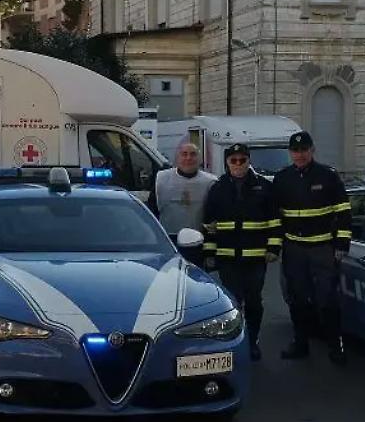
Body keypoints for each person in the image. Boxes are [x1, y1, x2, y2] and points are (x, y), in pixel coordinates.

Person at [272, 131, 352, 364]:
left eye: (304, 150)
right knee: (297, 300)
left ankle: (335, 346)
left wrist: (341, 245)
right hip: (294, 250)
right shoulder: (282, 179)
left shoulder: (327, 176)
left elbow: (344, 212)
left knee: (327, 300)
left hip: (322, 249)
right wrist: (276, 246)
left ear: (312, 150)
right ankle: (300, 343)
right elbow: (275, 217)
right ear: (290, 153)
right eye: (295, 151)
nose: (299, 155)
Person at [201, 143, 281, 361]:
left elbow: (275, 221)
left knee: (254, 302)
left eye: (242, 160)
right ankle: (235, 343)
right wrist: (209, 252)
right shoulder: (217, 188)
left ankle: (253, 341)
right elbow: (209, 224)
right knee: (232, 303)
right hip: (228, 257)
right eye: (233, 160)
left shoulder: (264, 187)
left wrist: (274, 248)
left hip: (256, 258)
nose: (238, 164)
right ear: (227, 163)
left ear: (248, 161)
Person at [148, 141, 217, 264]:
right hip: (168, 240)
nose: (188, 158)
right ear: (177, 157)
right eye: (184, 154)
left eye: (193, 154)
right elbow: (152, 211)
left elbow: (212, 217)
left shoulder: (210, 182)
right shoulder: (161, 179)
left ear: (200, 159)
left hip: (197, 242)